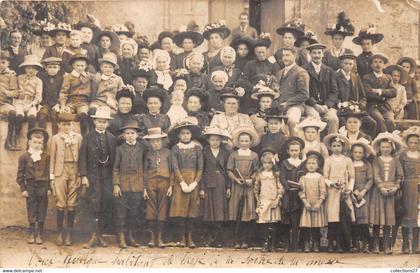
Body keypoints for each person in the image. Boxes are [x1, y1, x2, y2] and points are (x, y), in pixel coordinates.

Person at [79, 107, 117, 249]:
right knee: (93, 205)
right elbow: (82, 157)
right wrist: (83, 175)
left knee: (105, 205)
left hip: (107, 177)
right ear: (94, 122)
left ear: (108, 123)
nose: (101, 124)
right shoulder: (88, 137)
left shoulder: (112, 139)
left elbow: (114, 160)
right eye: (99, 121)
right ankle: (93, 235)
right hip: (92, 176)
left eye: (104, 122)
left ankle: (100, 235)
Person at [168, 118, 204, 248]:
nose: (185, 135)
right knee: (181, 211)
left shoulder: (197, 148)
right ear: (178, 135)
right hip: (180, 181)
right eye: (182, 133)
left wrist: (195, 183)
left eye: (187, 133)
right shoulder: (175, 149)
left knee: (192, 210)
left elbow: (200, 168)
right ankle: (182, 238)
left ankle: (190, 238)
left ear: (191, 134)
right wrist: (182, 182)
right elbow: (175, 167)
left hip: (193, 180)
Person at [49, 114, 83, 246]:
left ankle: (69, 233)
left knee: (72, 202)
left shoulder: (78, 138)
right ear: (59, 125)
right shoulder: (56, 138)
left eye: (69, 124)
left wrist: (80, 174)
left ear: (73, 125)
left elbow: (81, 157)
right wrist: (52, 177)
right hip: (60, 170)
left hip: (74, 170)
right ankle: (59, 233)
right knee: (60, 202)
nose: (67, 127)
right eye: (64, 124)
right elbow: (52, 158)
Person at [369, 132, 404, 254]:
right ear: (379, 148)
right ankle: (375, 246)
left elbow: (399, 175)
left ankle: (387, 246)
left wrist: (396, 186)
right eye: (383, 147)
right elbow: (376, 175)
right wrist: (381, 187)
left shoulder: (396, 160)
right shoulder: (376, 160)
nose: (385, 149)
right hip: (379, 192)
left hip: (391, 193)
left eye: (388, 147)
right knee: (378, 219)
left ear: (392, 148)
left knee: (388, 221)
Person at [112, 120, 145, 249]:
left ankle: (130, 236)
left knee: (134, 212)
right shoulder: (119, 149)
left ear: (137, 135)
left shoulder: (142, 148)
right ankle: (121, 237)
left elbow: (144, 167)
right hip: (123, 184)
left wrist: (144, 185)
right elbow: (115, 168)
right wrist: (116, 184)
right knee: (121, 212)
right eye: (127, 133)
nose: (130, 135)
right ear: (123, 136)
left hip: (137, 184)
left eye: (133, 133)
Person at [227, 126, 260, 249]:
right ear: (238, 142)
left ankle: (245, 240)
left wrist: (251, 179)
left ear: (250, 142)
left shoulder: (254, 155)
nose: (244, 143)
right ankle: (236, 240)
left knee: (247, 213)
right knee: (237, 212)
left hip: (249, 187)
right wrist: (236, 179)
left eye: (246, 141)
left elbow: (257, 170)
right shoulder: (233, 155)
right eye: (242, 141)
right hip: (237, 186)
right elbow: (229, 170)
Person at [16, 128, 50, 245]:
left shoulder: (46, 156)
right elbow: (20, 175)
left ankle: (39, 232)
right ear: (29, 142)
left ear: (43, 144)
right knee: (31, 208)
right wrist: (23, 189)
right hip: (30, 186)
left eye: (40, 143)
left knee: (42, 209)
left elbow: (50, 173)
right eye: (35, 142)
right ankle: (31, 232)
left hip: (43, 186)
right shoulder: (24, 157)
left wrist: (49, 188)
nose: (37, 145)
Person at [323, 133, 355, 253]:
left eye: (339, 146)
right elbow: (325, 177)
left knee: (343, 218)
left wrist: (349, 189)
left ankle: (342, 243)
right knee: (332, 218)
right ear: (330, 147)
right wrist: (331, 183)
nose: (336, 148)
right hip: (332, 192)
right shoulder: (328, 160)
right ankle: (331, 243)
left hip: (343, 192)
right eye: (334, 146)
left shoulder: (347, 160)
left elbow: (352, 177)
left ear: (343, 147)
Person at [201, 126, 231, 247]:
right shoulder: (204, 152)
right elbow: (201, 170)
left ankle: (218, 239)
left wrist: (228, 187)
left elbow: (228, 171)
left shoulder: (225, 153)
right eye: (213, 140)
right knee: (209, 211)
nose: (215, 142)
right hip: (209, 182)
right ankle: (209, 238)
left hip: (221, 183)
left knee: (219, 211)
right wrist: (202, 188)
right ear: (208, 140)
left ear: (220, 141)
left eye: (217, 140)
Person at [336, 52, 377, 137]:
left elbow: (363, 96)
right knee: (344, 124)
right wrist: (341, 104)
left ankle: (364, 141)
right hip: (341, 109)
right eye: (346, 63)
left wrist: (360, 105)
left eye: (351, 64)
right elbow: (332, 94)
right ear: (341, 64)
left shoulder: (355, 76)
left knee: (372, 123)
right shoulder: (335, 76)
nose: (348, 66)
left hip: (355, 109)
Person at [7, 55, 43, 151]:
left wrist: (31, 105)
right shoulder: (19, 78)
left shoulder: (38, 81)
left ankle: (29, 141)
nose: (30, 70)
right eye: (28, 68)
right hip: (19, 102)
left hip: (31, 102)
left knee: (32, 116)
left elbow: (38, 97)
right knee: (19, 115)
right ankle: (16, 138)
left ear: (36, 69)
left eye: (33, 68)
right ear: (24, 69)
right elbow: (14, 89)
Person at [143, 127, 172, 248]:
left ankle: (159, 238)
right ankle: (151, 238)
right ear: (149, 142)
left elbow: (172, 169)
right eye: (153, 141)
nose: (156, 143)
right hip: (151, 182)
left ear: (162, 141)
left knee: (162, 208)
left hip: (164, 182)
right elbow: (145, 171)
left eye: (158, 141)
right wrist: (144, 187)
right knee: (151, 208)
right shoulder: (148, 154)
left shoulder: (168, 153)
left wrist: (171, 185)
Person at [302, 43, 339, 134]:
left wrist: (327, 105)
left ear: (322, 54)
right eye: (314, 53)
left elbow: (334, 91)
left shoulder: (329, 70)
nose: (317, 55)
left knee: (333, 119)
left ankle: (331, 144)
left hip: (326, 105)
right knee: (315, 118)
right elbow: (303, 91)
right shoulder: (303, 70)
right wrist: (315, 104)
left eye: (319, 53)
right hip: (310, 105)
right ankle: (315, 145)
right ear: (310, 55)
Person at [275, 47, 309, 136]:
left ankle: (295, 144)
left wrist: (287, 103)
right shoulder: (279, 73)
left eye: (288, 55)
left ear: (295, 56)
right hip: (279, 106)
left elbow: (304, 95)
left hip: (295, 106)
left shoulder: (301, 72)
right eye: (283, 55)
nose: (285, 58)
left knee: (292, 120)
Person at [279, 137, 305, 252]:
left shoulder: (302, 164)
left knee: (296, 220)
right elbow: (282, 177)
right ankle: (286, 244)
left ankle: (296, 244)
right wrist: (287, 187)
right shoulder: (285, 163)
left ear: (300, 151)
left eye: (296, 150)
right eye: (292, 150)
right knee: (286, 219)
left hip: (298, 195)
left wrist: (300, 186)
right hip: (288, 194)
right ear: (288, 151)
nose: (294, 152)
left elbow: (304, 178)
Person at [298, 151, 327, 253]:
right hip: (307, 204)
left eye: (313, 163)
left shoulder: (320, 177)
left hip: (317, 203)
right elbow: (301, 191)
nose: (311, 165)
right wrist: (305, 202)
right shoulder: (303, 178)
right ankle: (306, 243)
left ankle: (316, 243)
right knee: (306, 225)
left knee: (315, 226)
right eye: (309, 163)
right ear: (306, 165)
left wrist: (319, 202)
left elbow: (323, 191)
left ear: (318, 165)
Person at [59, 54, 95, 135]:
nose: (80, 68)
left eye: (82, 66)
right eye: (77, 65)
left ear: (86, 66)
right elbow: (64, 91)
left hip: (83, 102)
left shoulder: (90, 76)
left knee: (83, 115)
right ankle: (66, 136)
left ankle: (84, 136)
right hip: (71, 102)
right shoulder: (68, 77)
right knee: (65, 114)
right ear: (73, 65)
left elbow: (100, 78)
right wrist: (63, 105)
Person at [349, 139, 374, 253]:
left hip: (364, 195)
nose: (358, 154)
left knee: (364, 220)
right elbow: (348, 179)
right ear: (352, 153)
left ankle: (367, 243)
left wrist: (363, 191)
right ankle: (355, 243)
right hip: (352, 194)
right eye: (355, 152)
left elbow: (370, 179)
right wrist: (353, 191)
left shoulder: (367, 165)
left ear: (364, 154)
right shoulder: (349, 164)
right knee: (354, 220)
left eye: (360, 152)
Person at [363, 53, 397, 134]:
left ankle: (391, 140)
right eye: (375, 62)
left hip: (385, 107)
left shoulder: (388, 77)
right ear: (371, 65)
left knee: (390, 121)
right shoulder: (367, 77)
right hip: (372, 106)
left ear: (384, 65)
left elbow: (394, 92)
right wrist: (384, 95)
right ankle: (382, 140)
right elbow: (368, 93)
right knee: (379, 120)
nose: (378, 64)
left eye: (380, 62)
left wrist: (379, 91)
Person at [399, 127, 420, 254]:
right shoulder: (403, 156)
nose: (413, 145)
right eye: (411, 142)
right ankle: (406, 245)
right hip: (406, 187)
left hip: (418, 187)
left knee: (418, 214)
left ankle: (417, 244)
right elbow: (399, 173)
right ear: (407, 143)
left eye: (416, 143)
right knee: (406, 214)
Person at [37, 57, 64, 136]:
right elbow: (39, 91)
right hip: (44, 103)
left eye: (55, 67)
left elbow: (63, 92)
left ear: (59, 68)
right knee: (42, 115)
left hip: (55, 103)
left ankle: (55, 137)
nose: (52, 69)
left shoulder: (61, 78)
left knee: (55, 116)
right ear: (46, 68)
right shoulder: (41, 78)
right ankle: (42, 138)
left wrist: (59, 103)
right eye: (50, 67)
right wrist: (39, 104)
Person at [0, 50, 18, 150]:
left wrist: (5, 92)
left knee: (12, 112)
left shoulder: (11, 75)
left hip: (4, 104)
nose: (0, 65)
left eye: (3, 62)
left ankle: (9, 139)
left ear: (8, 63)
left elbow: (15, 93)